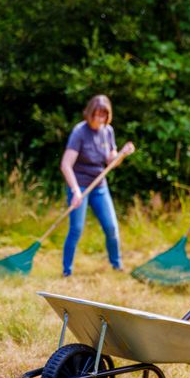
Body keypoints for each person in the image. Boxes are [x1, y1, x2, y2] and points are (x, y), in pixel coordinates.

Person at [59, 94, 134, 277]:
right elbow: (65, 165)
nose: (100, 119)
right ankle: (66, 271)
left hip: (99, 186)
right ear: (90, 113)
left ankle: (116, 265)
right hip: (80, 186)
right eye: (97, 115)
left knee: (111, 227)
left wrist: (122, 154)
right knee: (76, 229)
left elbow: (111, 161)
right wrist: (75, 191)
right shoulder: (80, 132)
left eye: (104, 115)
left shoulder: (108, 131)